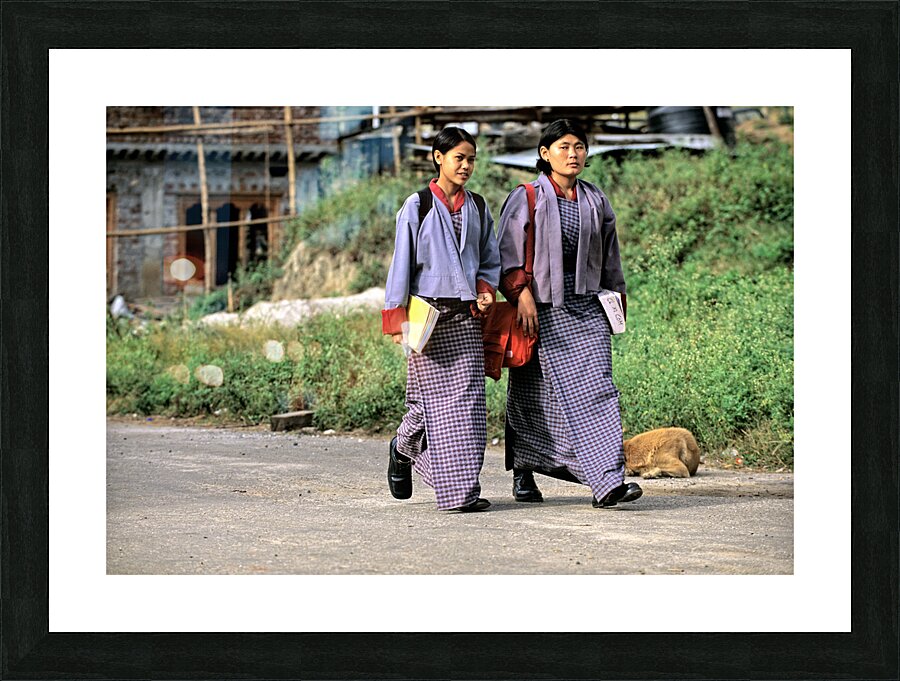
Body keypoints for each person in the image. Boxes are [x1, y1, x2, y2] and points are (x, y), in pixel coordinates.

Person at [496, 119, 642, 508]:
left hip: (587, 305)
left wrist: (616, 303)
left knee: (598, 388)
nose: (573, 153)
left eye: (579, 146)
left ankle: (607, 481)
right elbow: (507, 254)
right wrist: (520, 293)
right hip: (539, 307)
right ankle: (524, 473)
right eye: (563, 146)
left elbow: (611, 259)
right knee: (533, 393)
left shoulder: (596, 199)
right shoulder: (526, 196)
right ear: (545, 154)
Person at [382, 126, 500, 512]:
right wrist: (396, 320)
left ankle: (460, 494)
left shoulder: (479, 207)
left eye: (471, 159)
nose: (466, 166)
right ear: (438, 157)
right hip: (424, 316)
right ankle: (402, 449)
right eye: (458, 158)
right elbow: (401, 265)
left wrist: (485, 288)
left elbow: (489, 258)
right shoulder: (416, 206)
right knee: (426, 406)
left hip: (465, 317)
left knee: (467, 405)